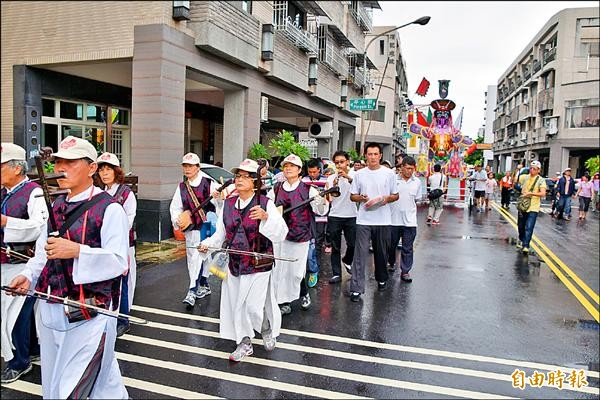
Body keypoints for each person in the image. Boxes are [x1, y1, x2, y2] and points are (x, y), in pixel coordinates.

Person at [7, 136, 129, 398]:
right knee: (60, 378)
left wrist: (77, 251)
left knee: (74, 385)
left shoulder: (110, 209)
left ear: (92, 168)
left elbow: (119, 261)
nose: (60, 168)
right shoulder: (56, 205)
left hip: (90, 314)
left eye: (71, 162)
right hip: (52, 308)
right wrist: (28, 276)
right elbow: (43, 253)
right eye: (58, 161)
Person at [198, 159, 288, 362]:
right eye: (238, 176)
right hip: (235, 263)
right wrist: (207, 244)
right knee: (236, 305)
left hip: (258, 264)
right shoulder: (228, 204)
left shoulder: (265, 204)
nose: (239, 179)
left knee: (253, 307)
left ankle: (265, 328)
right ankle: (245, 342)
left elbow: (281, 232)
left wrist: (266, 218)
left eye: (245, 176)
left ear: (255, 182)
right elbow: (220, 235)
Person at [1, 143, 47, 383]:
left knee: (15, 314)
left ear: (17, 168)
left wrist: (6, 222)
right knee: (19, 313)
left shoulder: (34, 192)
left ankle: (19, 362)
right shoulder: (3, 192)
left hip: (22, 262)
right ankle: (31, 350)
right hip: (4, 262)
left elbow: (40, 227)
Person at [267, 154, 326, 314]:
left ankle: (304, 293)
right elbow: (269, 208)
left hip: (300, 235)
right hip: (280, 236)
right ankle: (283, 302)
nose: (288, 168)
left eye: (292, 166)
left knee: (296, 272)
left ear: (300, 170)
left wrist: (321, 201)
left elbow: (320, 211)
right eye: (286, 166)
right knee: (280, 269)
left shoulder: (309, 189)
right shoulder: (276, 188)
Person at [349, 143, 399, 302]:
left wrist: (386, 198)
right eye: (369, 154)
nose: (372, 157)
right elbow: (352, 196)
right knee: (360, 254)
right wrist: (361, 198)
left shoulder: (389, 174)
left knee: (381, 253)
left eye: (375, 154)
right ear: (365, 155)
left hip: (384, 220)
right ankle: (356, 288)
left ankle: (382, 278)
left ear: (380, 156)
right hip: (363, 219)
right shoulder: (359, 174)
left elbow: (395, 195)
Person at [170, 153, 221, 308]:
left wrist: (218, 198)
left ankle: (192, 289)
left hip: (206, 227)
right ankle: (203, 284)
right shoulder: (182, 187)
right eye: (185, 166)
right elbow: (176, 207)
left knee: (200, 257)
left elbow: (219, 204)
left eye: (191, 166)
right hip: (191, 228)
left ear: (198, 167)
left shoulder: (208, 183)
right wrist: (178, 219)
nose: (188, 169)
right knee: (194, 258)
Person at [96, 152, 137, 337]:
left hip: (123, 244)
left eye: (108, 169)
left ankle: (123, 319)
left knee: (122, 282)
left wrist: (110, 231)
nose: (104, 173)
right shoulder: (100, 193)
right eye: (101, 170)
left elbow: (128, 220)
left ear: (116, 171)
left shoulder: (126, 193)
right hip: (102, 245)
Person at [326, 151, 356, 284]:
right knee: (335, 246)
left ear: (348, 162)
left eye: (342, 162)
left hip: (352, 215)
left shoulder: (355, 175)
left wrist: (348, 178)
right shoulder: (330, 177)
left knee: (353, 243)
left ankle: (347, 260)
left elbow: (359, 190)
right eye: (337, 162)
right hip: (335, 215)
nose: (339, 165)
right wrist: (335, 182)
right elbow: (330, 197)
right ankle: (337, 273)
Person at [389, 157, 422, 281]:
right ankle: (391, 262)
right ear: (401, 167)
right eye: (407, 168)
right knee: (391, 246)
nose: (409, 171)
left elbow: (417, 199)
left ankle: (405, 271)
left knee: (407, 248)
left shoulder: (417, 182)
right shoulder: (392, 179)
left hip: (410, 221)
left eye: (412, 169)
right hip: (393, 220)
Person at [301, 158, 328, 288]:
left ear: (319, 170)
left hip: (321, 217)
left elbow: (329, 199)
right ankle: (311, 267)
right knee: (309, 244)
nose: (312, 174)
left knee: (317, 243)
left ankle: (314, 268)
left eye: (314, 171)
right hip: (307, 218)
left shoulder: (325, 181)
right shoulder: (303, 181)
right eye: (310, 172)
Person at [516, 160, 547, 255]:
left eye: (534, 169)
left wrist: (531, 193)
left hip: (533, 207)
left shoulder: (541, 180)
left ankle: (526, 245)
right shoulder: (525, 177)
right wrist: (517, 170)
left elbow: (543, 193)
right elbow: (515, 181)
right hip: (523, 206)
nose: (532, 170)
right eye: (531, 168)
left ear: (539, 170)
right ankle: (522, 239)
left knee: (529, 226)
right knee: (521, 225)